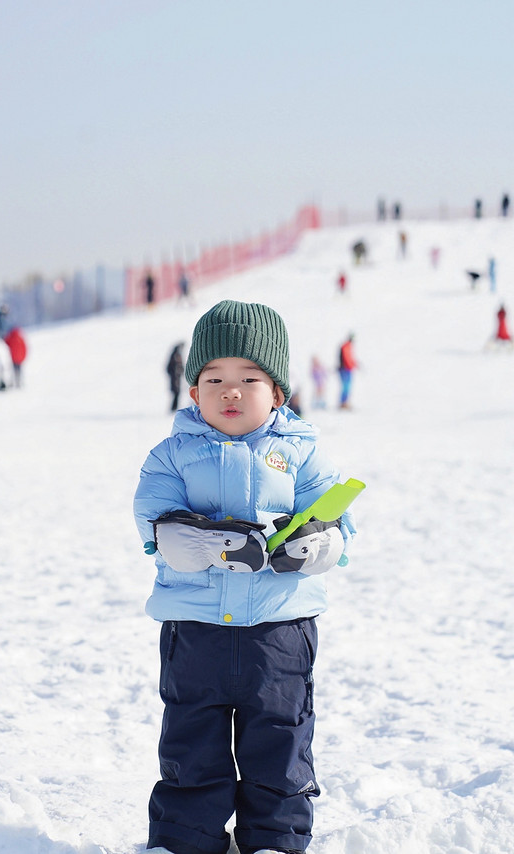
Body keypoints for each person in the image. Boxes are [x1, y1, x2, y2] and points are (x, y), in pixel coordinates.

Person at [134, 300, 357, 854]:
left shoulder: (302, 453)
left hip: (279, 631)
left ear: (277, 392)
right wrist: (184, 540)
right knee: (192, 738)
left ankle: (275, 839)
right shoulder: (171, 456)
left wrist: (318, 543)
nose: (230, 391)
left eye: (248, 378)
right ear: (194, 393)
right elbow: (152, 516)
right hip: (196, 630)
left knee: (279, 737)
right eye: (214, 379)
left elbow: (340, 523)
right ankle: (184, 838)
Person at [338, 334, 358, 409]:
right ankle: (343, 403)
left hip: (346, 368)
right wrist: (352, 365)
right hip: (345, 369)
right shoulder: (346, 346)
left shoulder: (347, 346)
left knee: (347, 386)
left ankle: (344, 402)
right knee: (346, 386)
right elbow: (347, 359)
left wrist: (354, 364)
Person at [166, 342, 185, 412]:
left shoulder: (176, 356)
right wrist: (175, 374)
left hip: (177, 378)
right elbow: (169, 369)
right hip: (175, 379)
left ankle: (174, 408)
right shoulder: (175, 356)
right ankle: (173, 408)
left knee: (177, 392)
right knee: (176, 392)